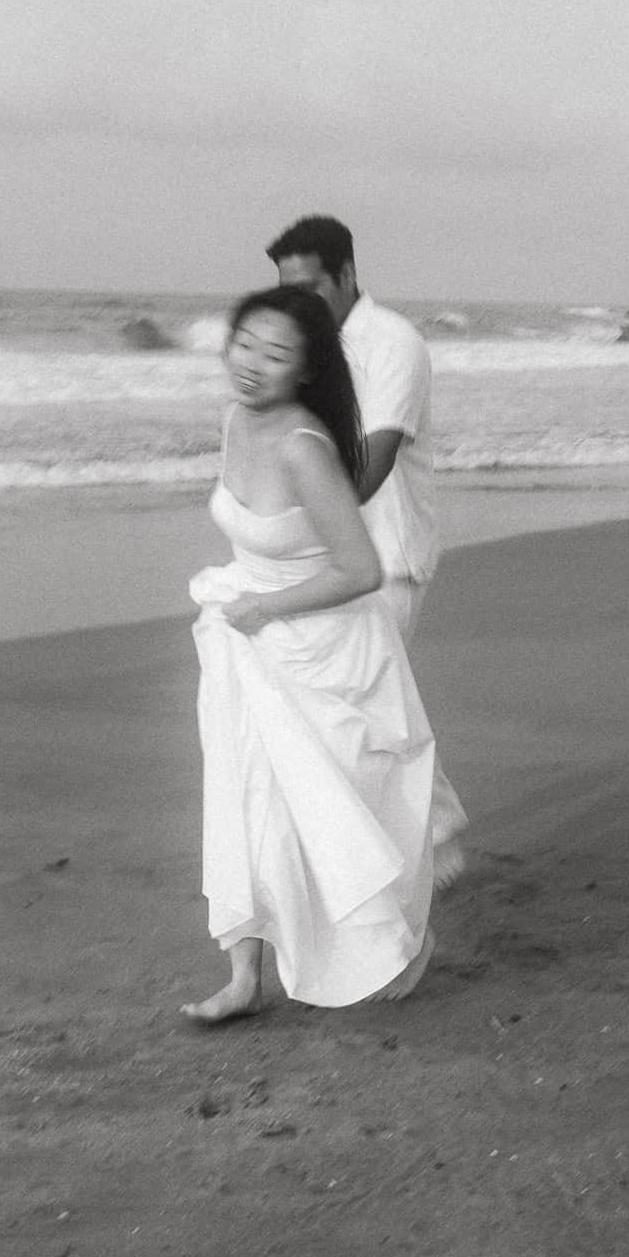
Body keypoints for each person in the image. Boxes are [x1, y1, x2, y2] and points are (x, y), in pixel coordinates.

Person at [182, 286, 449, 1022]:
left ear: (304, 371)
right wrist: (249, 606)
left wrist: (267, 606)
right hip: (247, 637)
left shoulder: (305, 448)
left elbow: (360, 569)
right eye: (245, 344)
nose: (252, 364)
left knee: (333, 813)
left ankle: (388, 942)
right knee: (244, 804)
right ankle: (244, 977)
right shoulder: (235, 418)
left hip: (320, 646)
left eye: (275, 355)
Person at [268, 214, 466, 886]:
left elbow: (370, 465)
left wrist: (291, 524)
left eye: (312, 287)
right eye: (287, 291)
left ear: (348, 274)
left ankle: (414, 849)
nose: (299, 304)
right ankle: (434, 832)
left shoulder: (391, 344)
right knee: (366, 705)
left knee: (364, 708)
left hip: (388, 556)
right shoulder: (307, 347)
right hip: (331, 560)